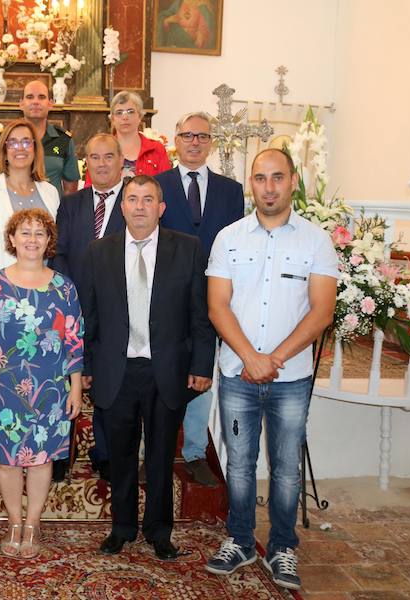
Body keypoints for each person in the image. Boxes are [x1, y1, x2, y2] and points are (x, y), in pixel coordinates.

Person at [204, 148, 337, 590]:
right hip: (237, 374)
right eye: (260, 178)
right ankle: (240, 540)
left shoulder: (316, 241)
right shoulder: (229, 238)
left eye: (277, 177)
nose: (269, 187)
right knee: (239, 464)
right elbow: (217, 306)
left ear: (293, 181)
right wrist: (250, 357)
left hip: (291, 378)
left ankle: (282, 547)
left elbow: (321, 312)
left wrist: (272, 359)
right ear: (251, 185)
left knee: (284, 467)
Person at [81, 175, 215, 561]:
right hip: (116, 370)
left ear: (161, 208)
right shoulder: (98, 252)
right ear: (121, 207)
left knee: (159, 457)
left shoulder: (187, 249)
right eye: (132, 199)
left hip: (167, 370)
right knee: (120, 457)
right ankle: (122, 528)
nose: (139, 206)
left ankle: (159, 531)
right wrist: (87, 365)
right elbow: (89, 316)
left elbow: (199, 315)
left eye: (148, 200)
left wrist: (201, 364)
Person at [0, 207, 84, 558]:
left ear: (49, 241)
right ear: (12, 239)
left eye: (39, 233)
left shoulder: (64, 287)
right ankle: (13, 521)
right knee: (6, 459)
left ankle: (32, 523)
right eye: (25, 232)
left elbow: (74, 339)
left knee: (41, 457)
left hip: (50, 388)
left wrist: (75, 386)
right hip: (4, 387)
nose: (32, 239)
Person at [155, 111, 244, 486]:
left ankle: (193, 451)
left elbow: (237, 244)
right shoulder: (157, 184)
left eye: (202, 136)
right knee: (157, 370)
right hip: (166, 291)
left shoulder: (230, 190)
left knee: (202, 365)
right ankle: (151, 452)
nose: (194, 142)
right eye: (188, 135)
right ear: (175, 139)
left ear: (211, 142)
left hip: (213, 292)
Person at [50, 133, 127, 483]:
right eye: (94, 158)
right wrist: (69, 293)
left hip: (119, 308)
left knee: (109, 382)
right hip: (75, 305)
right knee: (67, 378)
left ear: (121, 159)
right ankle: (61, 453)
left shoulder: (136, 200)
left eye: (108, 157)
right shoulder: (71, 203)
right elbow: (59, 251)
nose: (101, 164)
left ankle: (107, 453)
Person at [0, 119, 60, 293]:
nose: (20, 148)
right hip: (0, 293)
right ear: (4, 150)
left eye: (26, 142)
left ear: (35, 148)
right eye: (12, 142)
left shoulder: (50, 192)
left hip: (43, 290)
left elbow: (53, 247)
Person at [0, 80, 80, 196]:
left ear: (50, 103)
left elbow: (70, 189)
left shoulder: (63, 140)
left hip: (52, 211)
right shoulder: (5, 137)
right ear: (21, 103)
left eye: (41, 97)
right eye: (30, 97)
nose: (36, 102)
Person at [83, 91, 171, 186]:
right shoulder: (100, 149)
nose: (125, 117)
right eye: (119, 112)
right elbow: (90, 190)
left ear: (140, 116)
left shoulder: (156, 149)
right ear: (112, 119)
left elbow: (167, 186)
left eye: (130, 112)